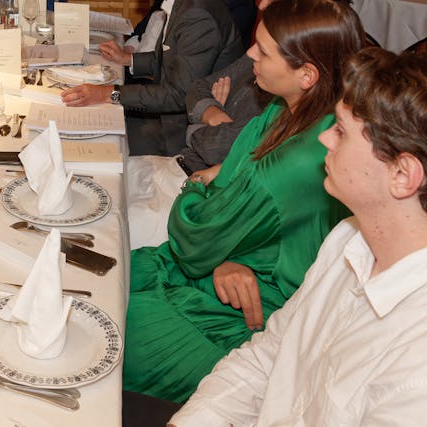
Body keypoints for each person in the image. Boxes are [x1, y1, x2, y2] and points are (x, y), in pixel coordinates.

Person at [123, 0, 364, 403]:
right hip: (228, 267)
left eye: (263, 51)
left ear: (307, 74)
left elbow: (196, 239)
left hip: (248, 317)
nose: (250, 54)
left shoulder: (297, 157)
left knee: (100, 328)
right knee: (97, 278)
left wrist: (196, 186)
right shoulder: (296, 111)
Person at [171, 48, 427, 426]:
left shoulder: (417, 365)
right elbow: (266, 358)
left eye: (341, 131)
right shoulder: (346, 240)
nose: (324, 138)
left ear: (402, 175)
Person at [61, 0, 242, 156]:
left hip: (181, 133)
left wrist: (108, 93)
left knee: (88, 145)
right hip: (168, 114)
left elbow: (178, 95)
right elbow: (170, 59)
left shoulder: (197, 16)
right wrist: (128, 59)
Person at [180, 0, 354, 171]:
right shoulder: (269, 44)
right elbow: (198, 87)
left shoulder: (303, 68)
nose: (262, 4)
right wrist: (215, 115)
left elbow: (217, 148)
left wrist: (197, 125)